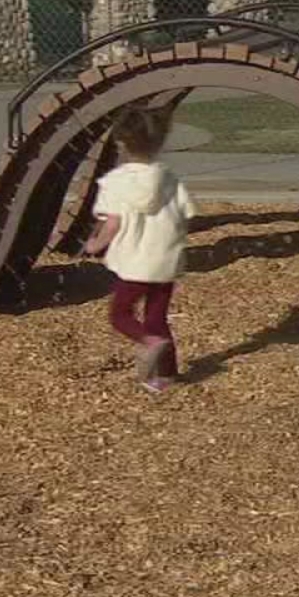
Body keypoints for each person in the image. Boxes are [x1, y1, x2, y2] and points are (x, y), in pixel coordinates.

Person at [83, 105, 198, 393]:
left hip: (136, 263)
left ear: (121, 143)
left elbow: (112, 224)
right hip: (165, 260)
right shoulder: (169, 178)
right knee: (157, 318)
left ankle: (149, 342)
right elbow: (186, 214)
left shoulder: (116, 182)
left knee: (120, 315)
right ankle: (167, 376)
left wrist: (95, 244)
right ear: (159, 143)